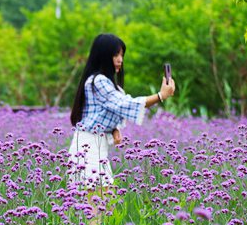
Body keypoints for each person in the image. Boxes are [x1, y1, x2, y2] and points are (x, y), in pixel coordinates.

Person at [69, 32, 175, 195]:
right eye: (115, 55)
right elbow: (124, 104)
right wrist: (160, 96)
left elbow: (107, 110)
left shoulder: (109, 85)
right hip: (87, 149)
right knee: (99, 206)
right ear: (103, 56)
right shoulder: (98, 81)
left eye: (122, 55)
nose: (120, 60)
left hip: (97, 147)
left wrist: (114, 128)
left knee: (103, 206)